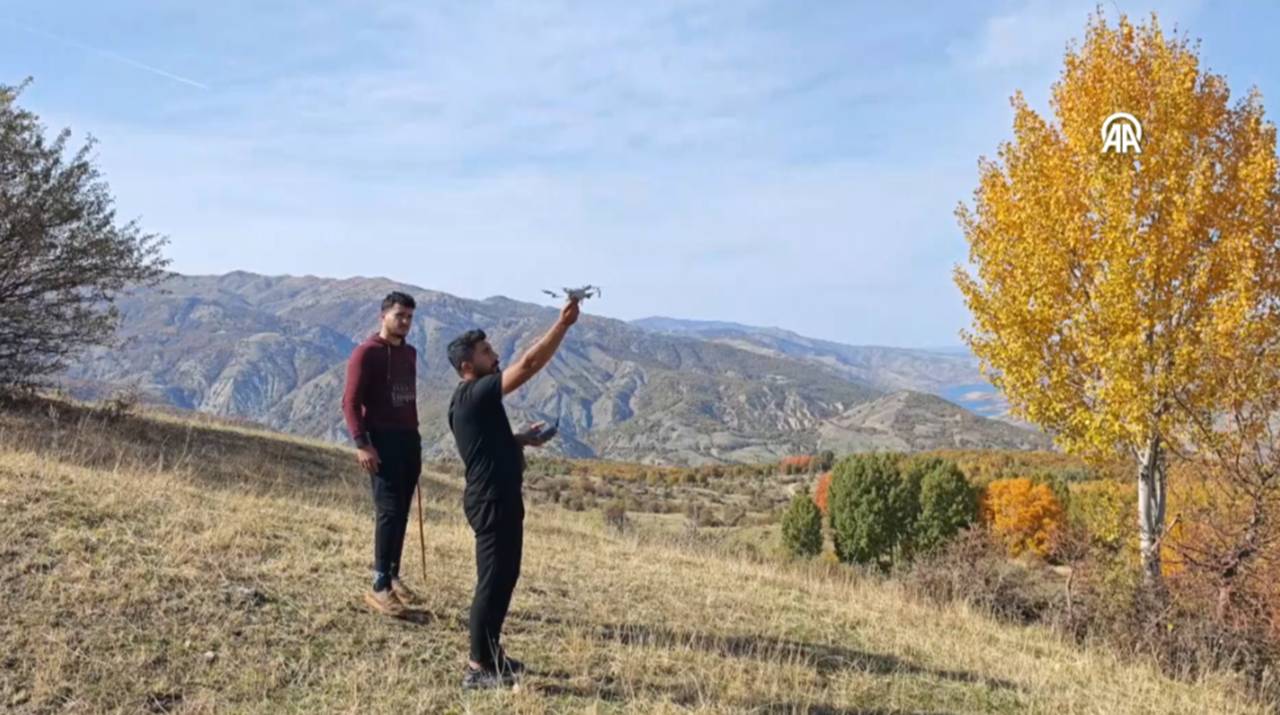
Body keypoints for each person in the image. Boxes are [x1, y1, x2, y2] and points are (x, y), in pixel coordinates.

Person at [446, 297, 580, 689]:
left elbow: (485, 443)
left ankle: (491, 654)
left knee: (504, 578)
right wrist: (563, 326)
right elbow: (529, 365)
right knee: (492, 581)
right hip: (491, 502)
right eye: (487, 353)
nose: (495, 355)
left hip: (498, 498)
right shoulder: (477, 393)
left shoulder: (472, 400)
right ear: (468, 366)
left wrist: (520, 439)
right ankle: (476, 669)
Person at [342, 291, 422, 617]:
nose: (404, 322)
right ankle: (379, 585)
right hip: (381, 441)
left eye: (409, 317)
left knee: (401, 511)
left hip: (409, 440)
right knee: (388, 511)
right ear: (383, 316)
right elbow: (349, 402)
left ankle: (392, 574)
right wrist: (362, 443)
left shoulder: (411, 353)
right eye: (399, 315)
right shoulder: (366, 353)